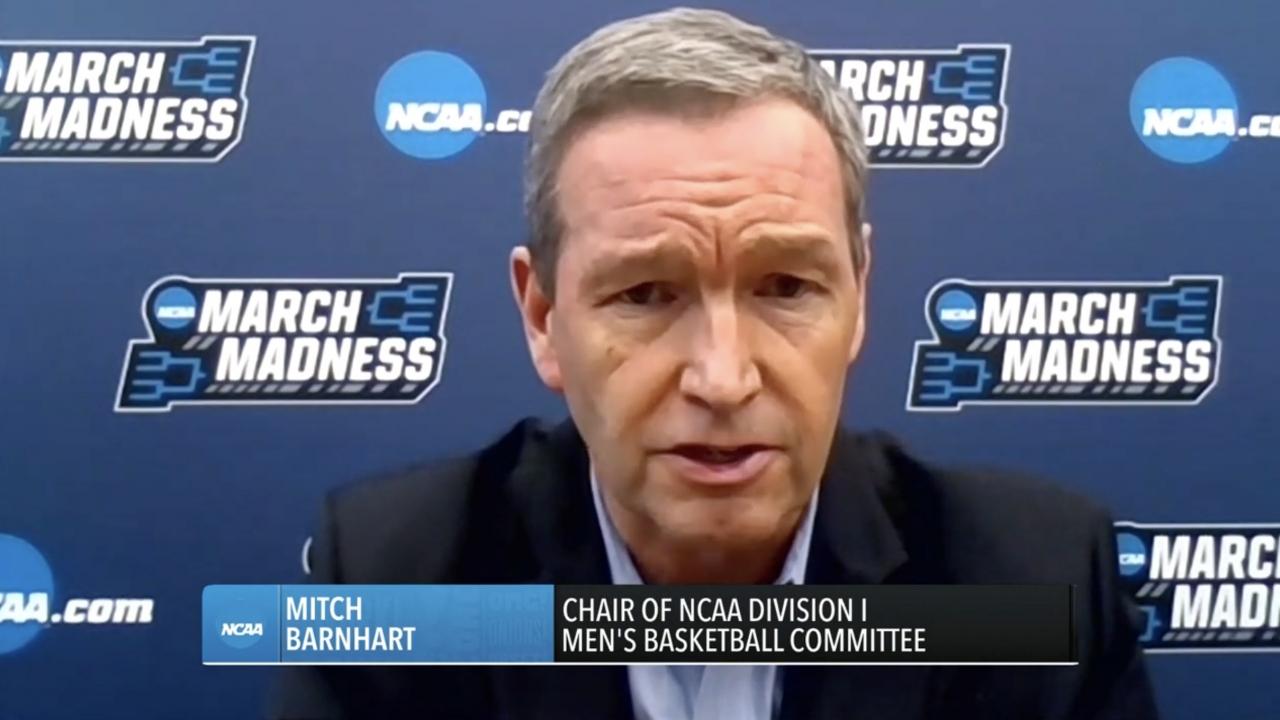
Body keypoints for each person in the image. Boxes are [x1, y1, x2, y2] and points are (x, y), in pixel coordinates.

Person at [271, 8, 1159, 719]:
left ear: (859, 295)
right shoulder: (394, 582)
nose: (724, 379)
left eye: (786, 287)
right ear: (543, 317)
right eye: (646, 295)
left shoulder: (1038, 582)